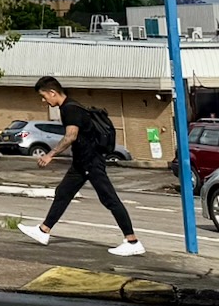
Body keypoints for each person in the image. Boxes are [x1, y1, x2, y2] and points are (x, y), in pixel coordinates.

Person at [17, 75, 144, 256]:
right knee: (63, 192)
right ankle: (43, 230)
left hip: (90, 161)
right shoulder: (72, 106)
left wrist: (50, 155)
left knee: (109, 198)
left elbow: (71, 136)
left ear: (53, 92)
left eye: (44, 96)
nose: (44, 101)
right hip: (82, 162)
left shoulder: (69, 109)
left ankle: (132, 241)